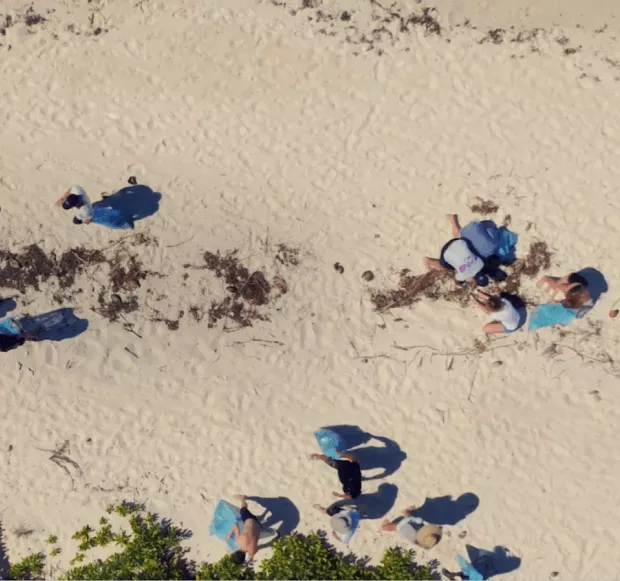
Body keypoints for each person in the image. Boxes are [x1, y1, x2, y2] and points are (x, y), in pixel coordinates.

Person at [424, 214, 503, 287]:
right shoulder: (464, 275)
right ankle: (428, 260)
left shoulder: (480, 263)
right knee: (446, 268)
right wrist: (463, 284)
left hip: (459, 242)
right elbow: (457, 280)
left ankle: (453, 220)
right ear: (474, 280)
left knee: (464, 243)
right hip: (447, 251)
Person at [226, 495, 261, 564]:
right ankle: (242, 499)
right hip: (249, 519)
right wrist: (229, 534)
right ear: (236, 552)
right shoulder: (238, 541)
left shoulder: (252, 552)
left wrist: (251, 555)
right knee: (242, 510)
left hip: (259, 525)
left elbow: (257, 548)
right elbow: (235, 525)